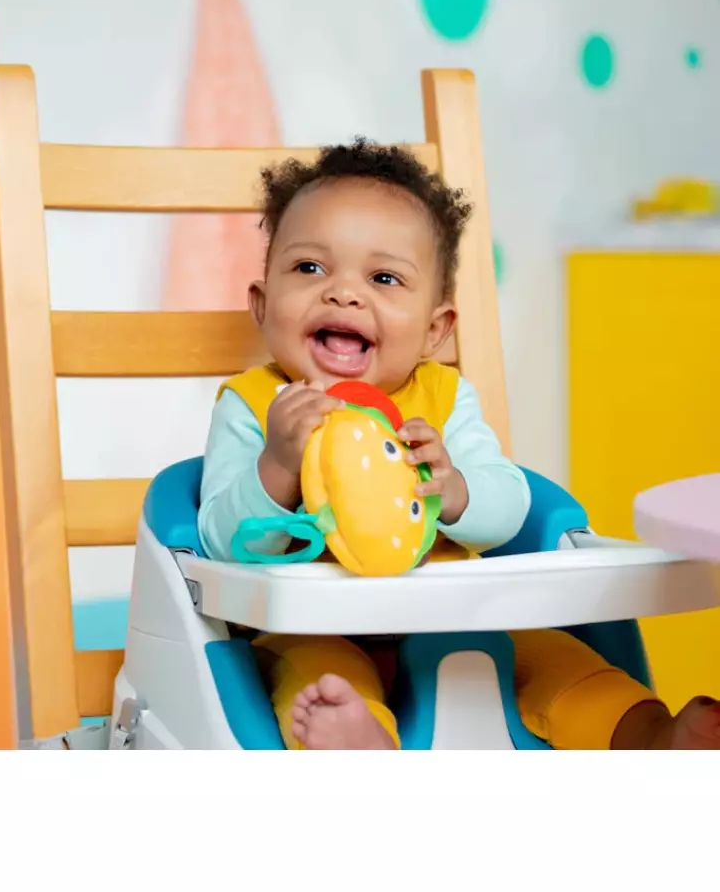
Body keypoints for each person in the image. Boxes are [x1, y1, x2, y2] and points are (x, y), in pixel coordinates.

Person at [198, 139, 720, 750]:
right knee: (317, 680)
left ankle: (651, 738)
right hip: (318, 627)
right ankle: (365, 742)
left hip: (458, 620)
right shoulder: (256, 405)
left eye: (384, 277)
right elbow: (220, 542)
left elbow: (509, 510)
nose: (343, 293)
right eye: (310, 268)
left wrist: (454, 487)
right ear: (261, 306)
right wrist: (279, 464)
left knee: (560, 661)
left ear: (434, 330)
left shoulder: (445, 401)